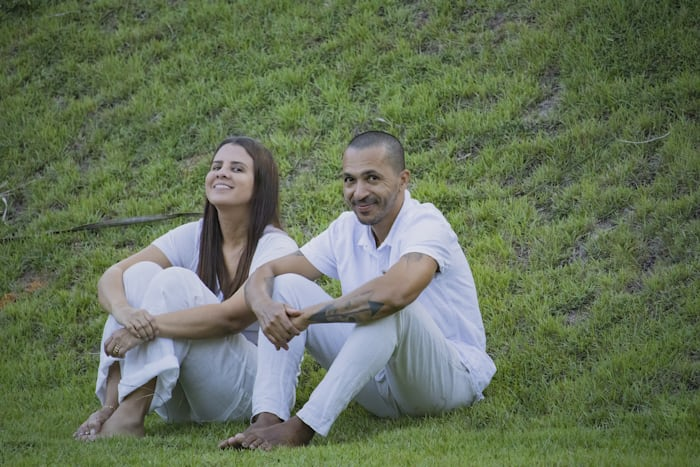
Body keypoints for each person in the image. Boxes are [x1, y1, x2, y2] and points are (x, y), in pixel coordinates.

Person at [220, 130, 496, 450]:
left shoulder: (426, 224)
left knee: (390, 309)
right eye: (350, 180)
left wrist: (309, 316)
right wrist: (265, 306)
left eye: (372, 178)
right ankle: (268, 418)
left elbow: (395, 294)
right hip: (378, 384)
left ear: (403, 180)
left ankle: (303, 427)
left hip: (445, 381)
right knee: (285, 287)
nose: (359, 192)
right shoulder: (345, 229)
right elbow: (267, 272)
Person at [73, 136, 298, 440]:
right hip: (181, 393)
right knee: (138, 274)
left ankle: (130, 416)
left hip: (247, 391)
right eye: (216, 166)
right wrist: (125, 313)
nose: (221, 173)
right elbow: (112, 275)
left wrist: (144, 328)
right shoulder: (196, 235)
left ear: (260, 187)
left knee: (175, 282)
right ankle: (112, 407)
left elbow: (231, 318)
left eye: (237, 169)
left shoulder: (277, 247)